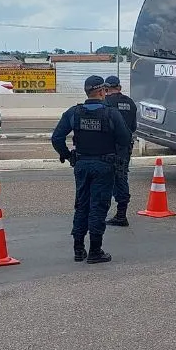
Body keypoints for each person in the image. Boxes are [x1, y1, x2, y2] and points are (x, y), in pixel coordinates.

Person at [50, 75, 132, 263]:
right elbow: (125, 139)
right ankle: (95, 250)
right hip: (104, 166)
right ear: (102, 91)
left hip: (81, 165)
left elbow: (56, 138)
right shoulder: (111, 114)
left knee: (82, 204)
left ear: (87, 92)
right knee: (99, 206)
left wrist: (68, 155)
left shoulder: (74, 112)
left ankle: (79, 250)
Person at [102, 74, 137, 226]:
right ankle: (121, 214)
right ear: (120, 88)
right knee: (122, 178)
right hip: (125, 148)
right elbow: (134, 127)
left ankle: (99, 213)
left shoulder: (105, 103)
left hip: (108, 148)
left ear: (106, 89)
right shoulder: (130, 103)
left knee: (103, 180)